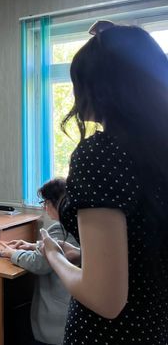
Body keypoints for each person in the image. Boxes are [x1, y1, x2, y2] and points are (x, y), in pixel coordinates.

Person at [39, 23, 168, 344]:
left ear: (101, 89)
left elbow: (105, 299)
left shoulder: (101, 155)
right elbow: (144, 245)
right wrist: (86, 255)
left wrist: (53, 255)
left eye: (77, 83)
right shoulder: (155, 154)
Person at [0, 178, 78, 345]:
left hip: (57, 311)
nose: (44, 207)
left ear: (56, 202)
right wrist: (31, 245)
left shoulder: (60, 228)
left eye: (45, 202)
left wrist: (13, 253)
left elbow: (40, 264)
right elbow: (58, 249)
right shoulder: (77, 223)